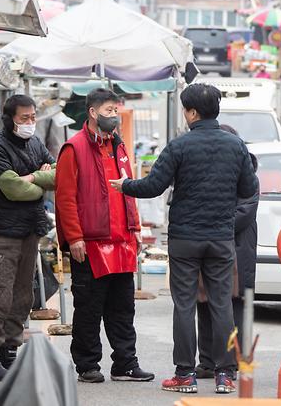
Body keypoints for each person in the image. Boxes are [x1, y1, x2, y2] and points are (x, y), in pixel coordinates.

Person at [110, 84, 257, 395]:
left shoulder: (180, 146)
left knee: (184, 305)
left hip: (185, 238)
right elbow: (247, 188)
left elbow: (152, 186)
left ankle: (185, 374)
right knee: (222, 305)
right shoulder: (236, 146)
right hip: (220, 237)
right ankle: (225, 375)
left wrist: (124, 185)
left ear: (191, 112)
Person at [54, 88, 154, 383]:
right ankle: (87, 364)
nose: (115, 115)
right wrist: (73, 237)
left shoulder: (119, 147)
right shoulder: (74, 148)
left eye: (116, 110)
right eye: (110, 110)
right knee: (88, 308)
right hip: (91, 243)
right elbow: (66, 197)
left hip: (122, 242)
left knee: (123, 308)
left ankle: (125, 363)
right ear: (93, 112)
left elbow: (128, 192)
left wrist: (134, 231)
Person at [0, 95, 56, 381]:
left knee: (23, 296)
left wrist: (32, 179)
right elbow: (13, 190)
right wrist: (40, 181)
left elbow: (60, 174)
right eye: (24, 118)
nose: (30, 123)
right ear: (9, 118)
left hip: (28, 230)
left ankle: (10, 351)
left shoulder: (35, 143)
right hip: (1, 232)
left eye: (33, 117)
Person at [195, 124, 259, 380]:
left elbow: (244, 213)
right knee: (204, 304)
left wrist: (209, 221)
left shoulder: (248, 174)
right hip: (208, 247)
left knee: (232, 308)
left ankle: (232, 361)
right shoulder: (205, 173)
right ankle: (208, 361)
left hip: (235, 250)